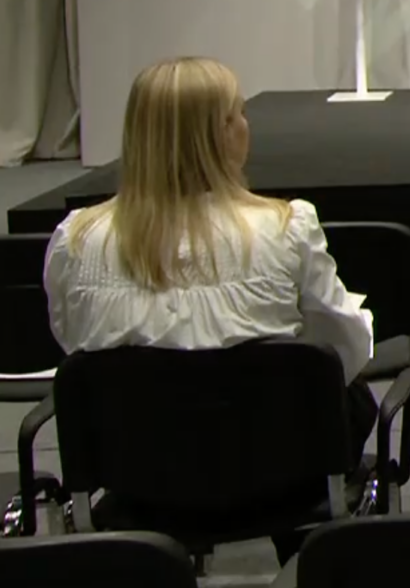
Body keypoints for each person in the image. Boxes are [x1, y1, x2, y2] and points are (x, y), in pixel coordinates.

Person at [44, 57, 376, 554]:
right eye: (238, 113)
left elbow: (76, 341)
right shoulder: (286, 229)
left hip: (139, 475)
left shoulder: (77, 241)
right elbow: (347, 349)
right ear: (219, 135)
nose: (247, 126)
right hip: (277, 472)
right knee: (339, 397)